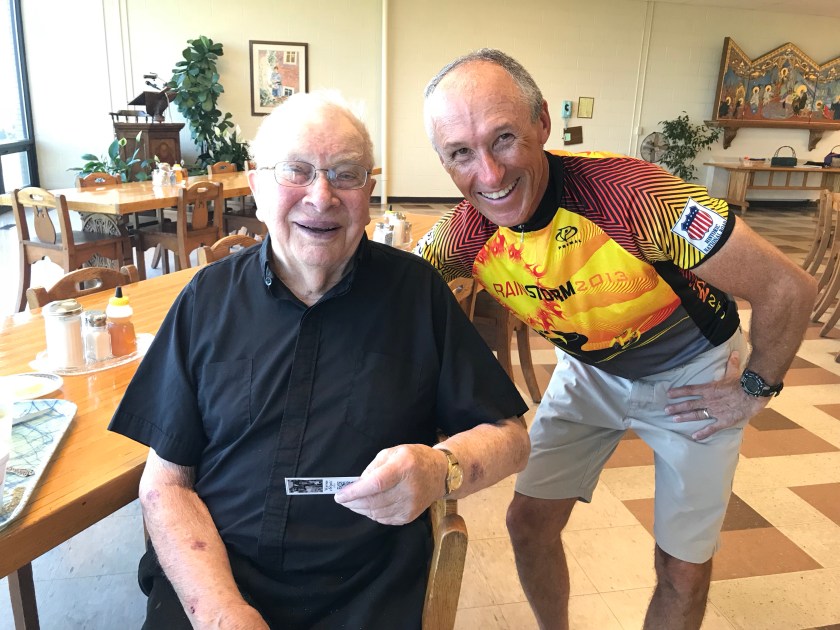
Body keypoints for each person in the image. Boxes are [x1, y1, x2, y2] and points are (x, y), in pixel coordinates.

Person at [417, 49, 817, 630]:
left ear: (542, 123)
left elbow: (788, 287)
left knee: (683, 569)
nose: (490, 175)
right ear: (443, 160)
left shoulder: (636, 197)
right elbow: (395, 301)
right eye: (461, 153)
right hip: (590, 370)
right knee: (527, 524)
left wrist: (754, 389)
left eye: (503, 139)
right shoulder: (460, 234)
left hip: (695, 371)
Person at [109, 90, 530, 629]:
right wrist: (220, 611)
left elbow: (511, 437)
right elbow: (165, 484)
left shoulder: (416, 293)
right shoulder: (207, 299)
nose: (322, 195)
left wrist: (441, 467)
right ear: (257, 187)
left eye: (345, 174)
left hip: (366, 588)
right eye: (297, 171)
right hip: (216, 573)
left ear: (368, 192)